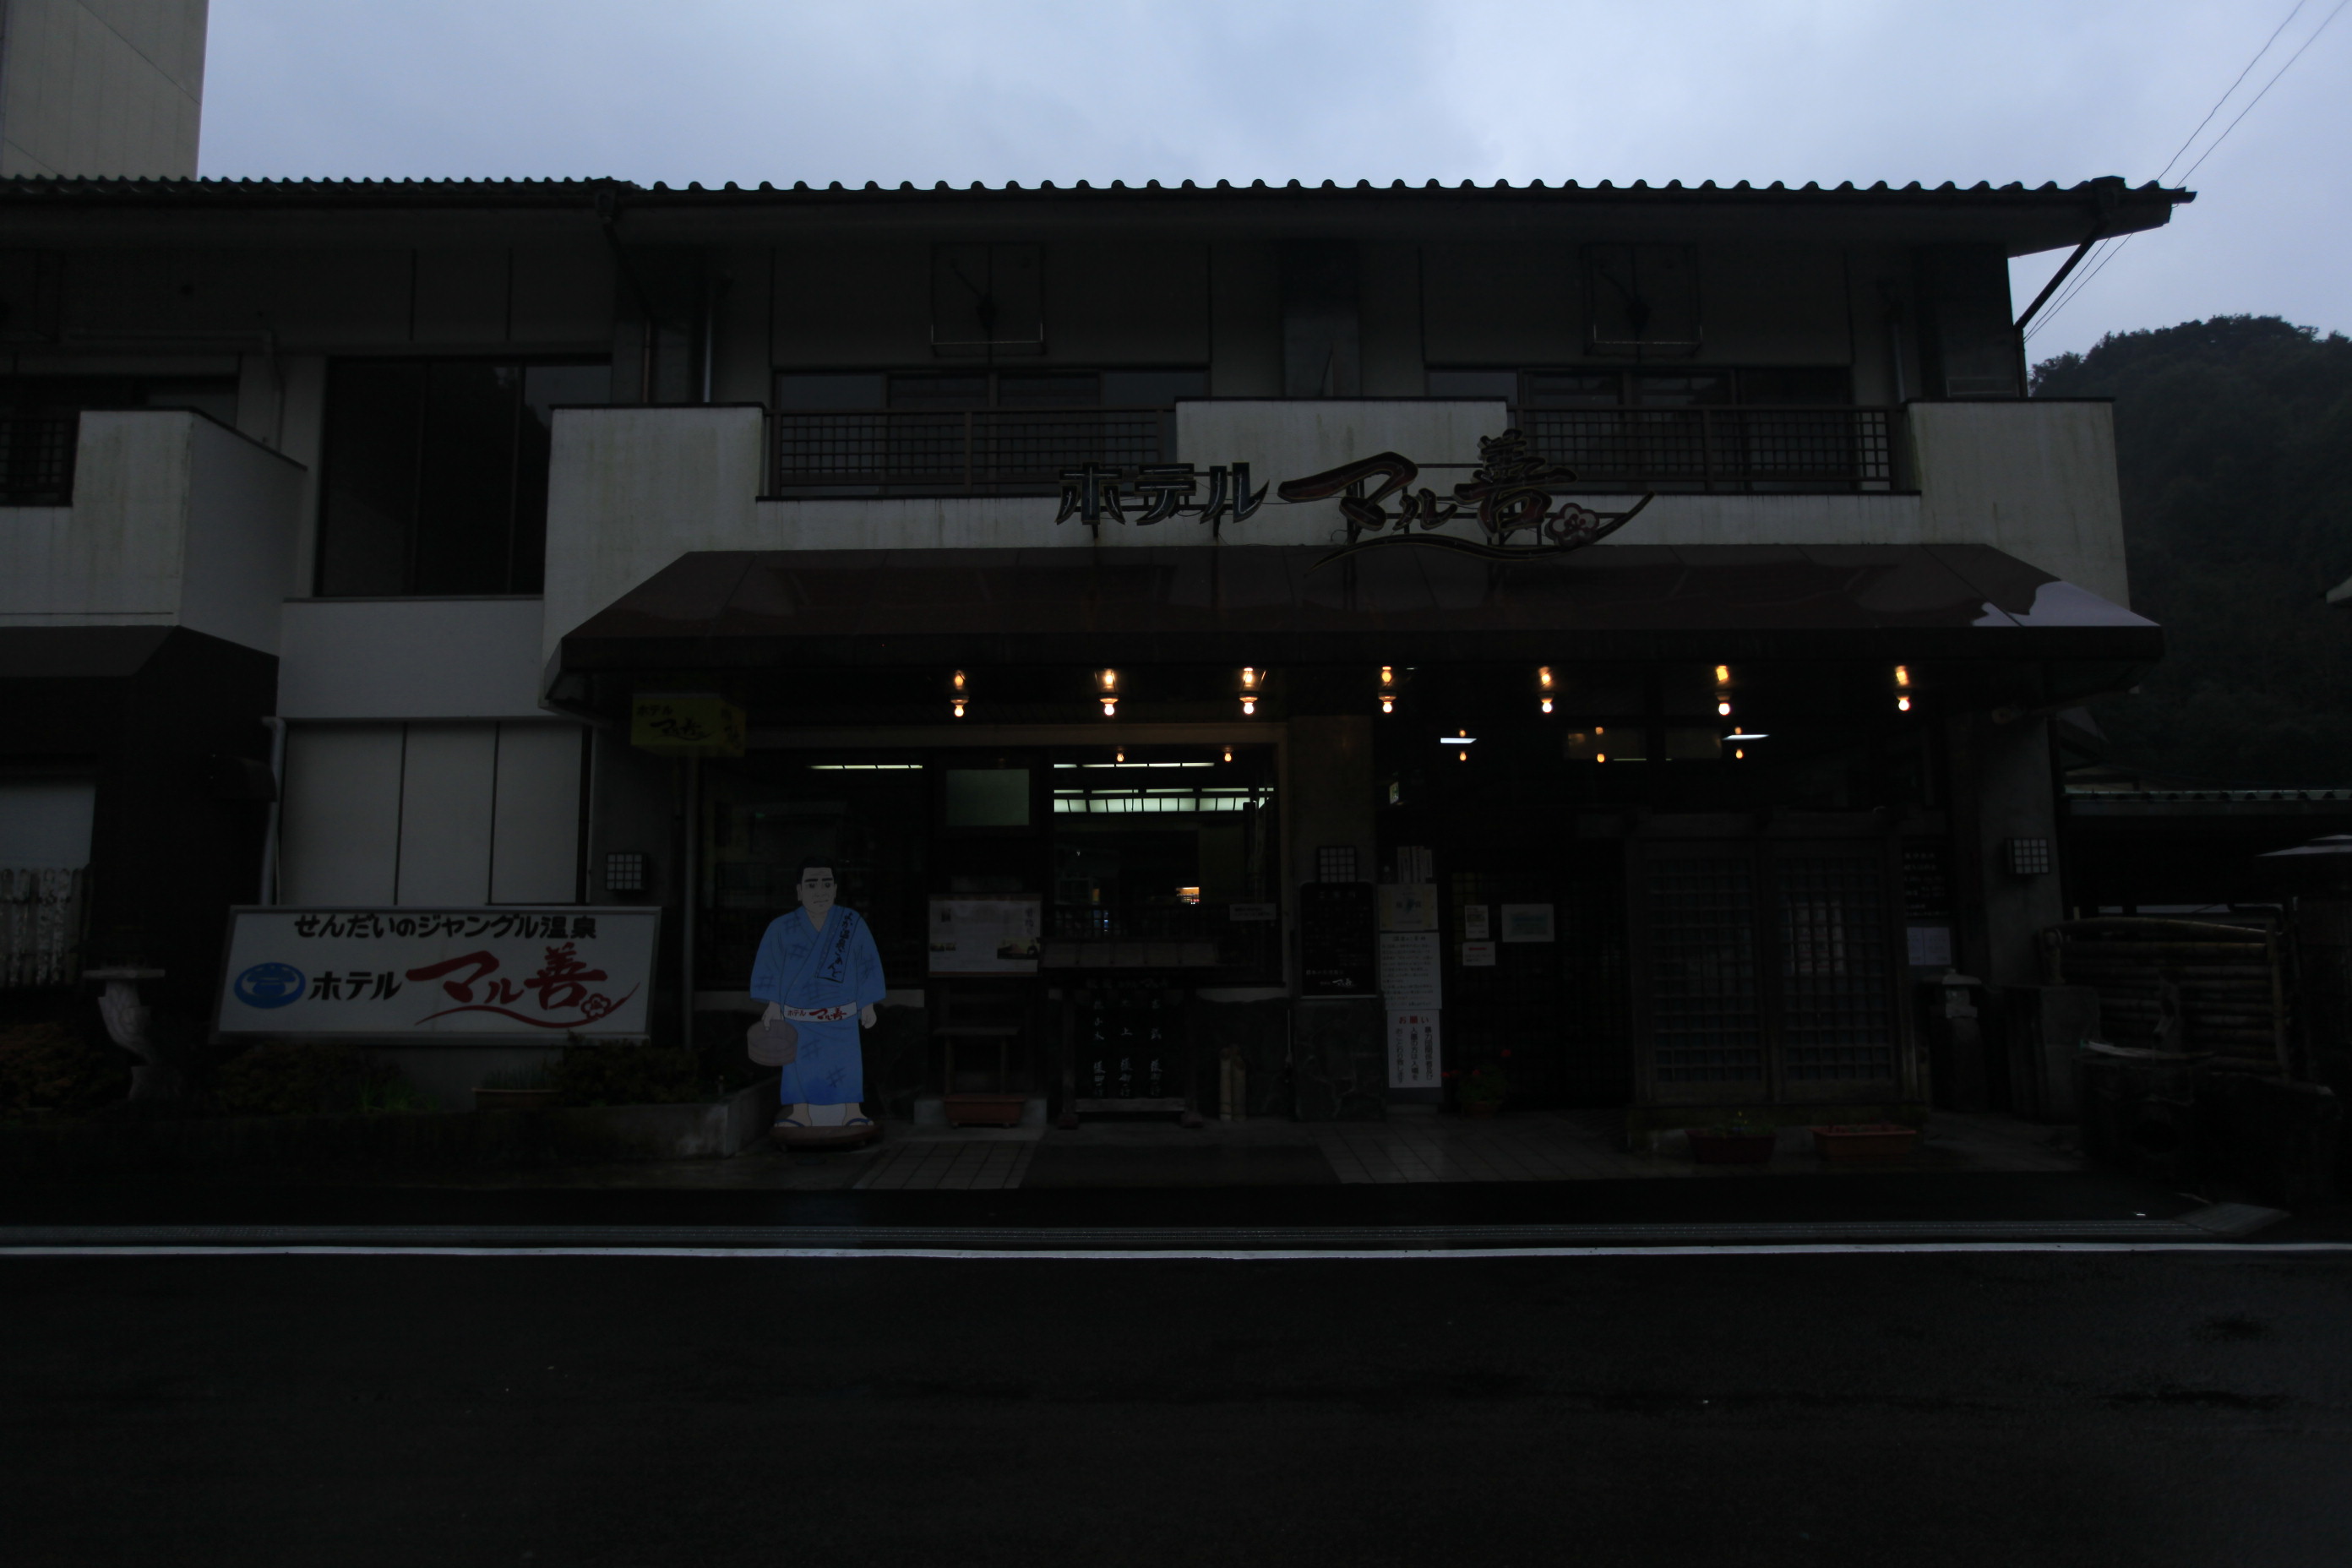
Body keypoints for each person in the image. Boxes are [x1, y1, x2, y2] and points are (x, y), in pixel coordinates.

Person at [749, 859, 886, 1134]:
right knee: (797, 1067)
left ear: (835, 889)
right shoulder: (781, 927)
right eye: (812, 885)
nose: (820, 891)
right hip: (798, 1016)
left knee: (846, 1062)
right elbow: (769, 967)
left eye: (826, 884)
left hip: (841, 1015)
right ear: (799, 891)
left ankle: (852, 1111)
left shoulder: (851, 923)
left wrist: (867, 1003)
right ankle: (801, 1113)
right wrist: (773, 1005)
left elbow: (867, 962)